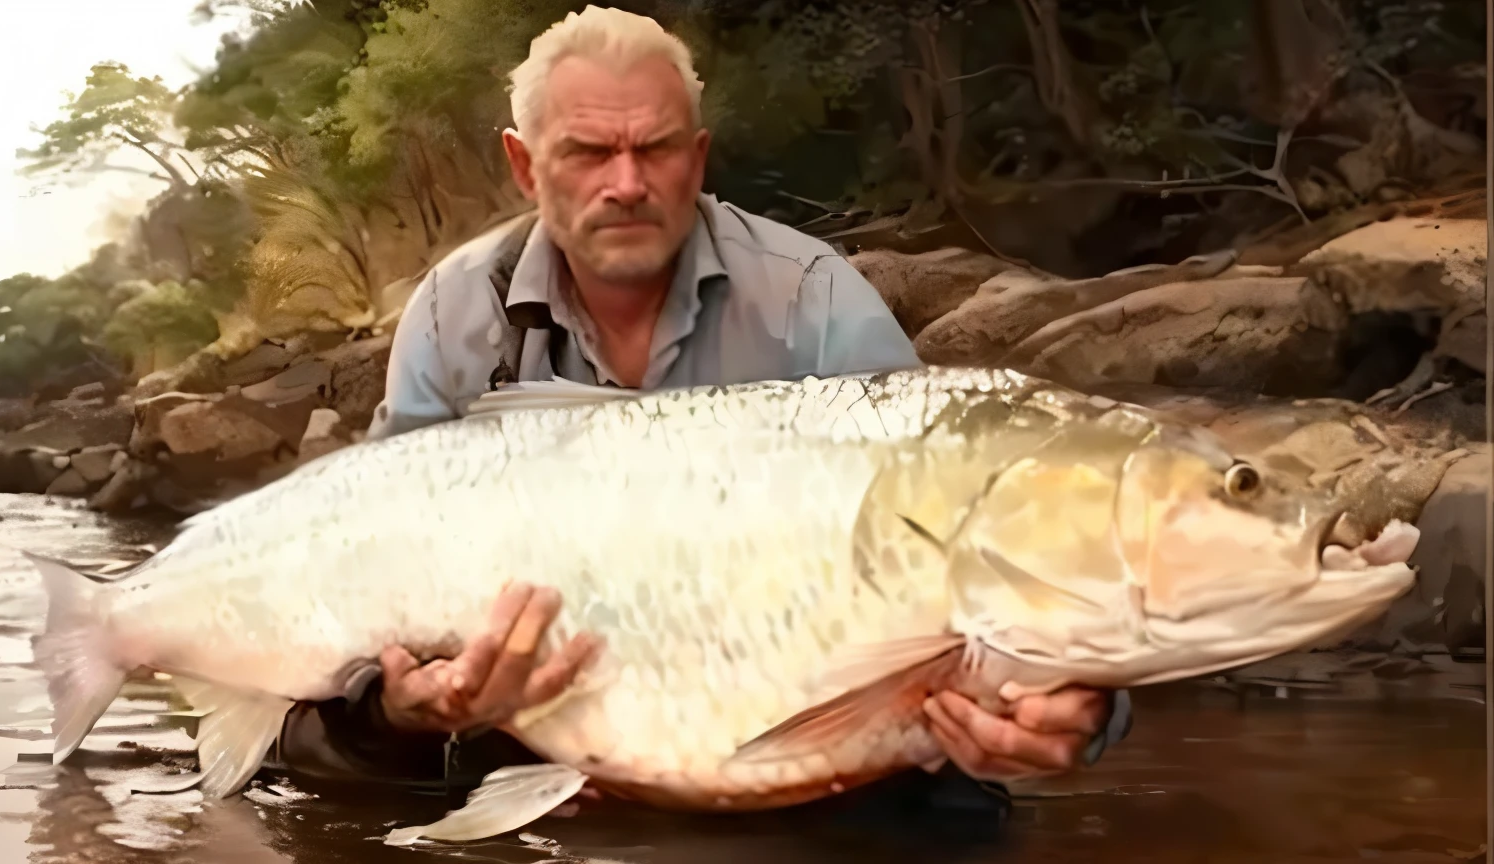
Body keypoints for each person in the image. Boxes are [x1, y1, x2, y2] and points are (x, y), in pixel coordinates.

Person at [274, 4, 1131, 817]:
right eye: (587, 152)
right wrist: (403, 700)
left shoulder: (814, 301)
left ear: (700, 154)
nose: (627, 182)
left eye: (657, 148)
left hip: (799, 744)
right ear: (525, 166)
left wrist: (1079, 702)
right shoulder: (451, 313)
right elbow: (365, 565)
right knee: (332, 746)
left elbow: (971, 548)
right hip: (529, 726)